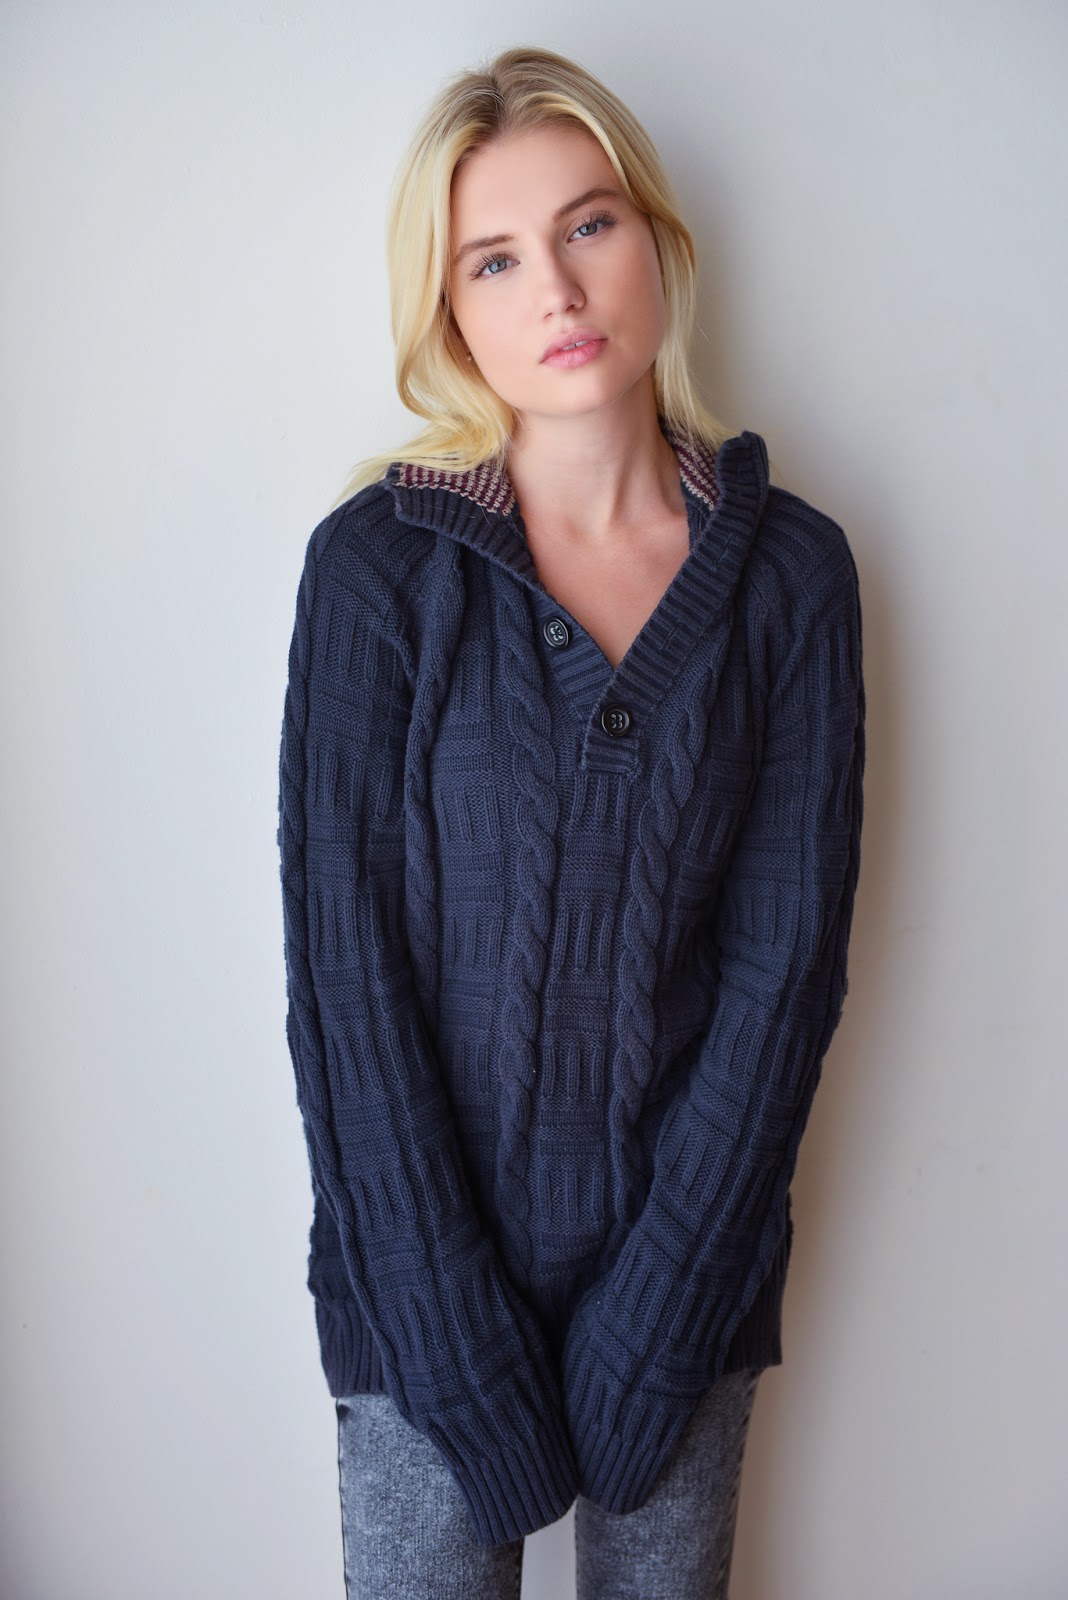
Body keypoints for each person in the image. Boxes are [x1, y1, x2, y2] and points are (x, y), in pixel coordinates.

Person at [277, 42, 866, 1600]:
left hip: (689, 1292)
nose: (556, 287)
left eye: (588, 225)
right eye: (495, 257)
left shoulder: (792, 580)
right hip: (416, 1308)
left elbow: (785, 973)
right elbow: (346, 984)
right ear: (449, 312)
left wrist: (657, 1323)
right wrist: (455, 1345)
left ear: (656, 241)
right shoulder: (376, 575)